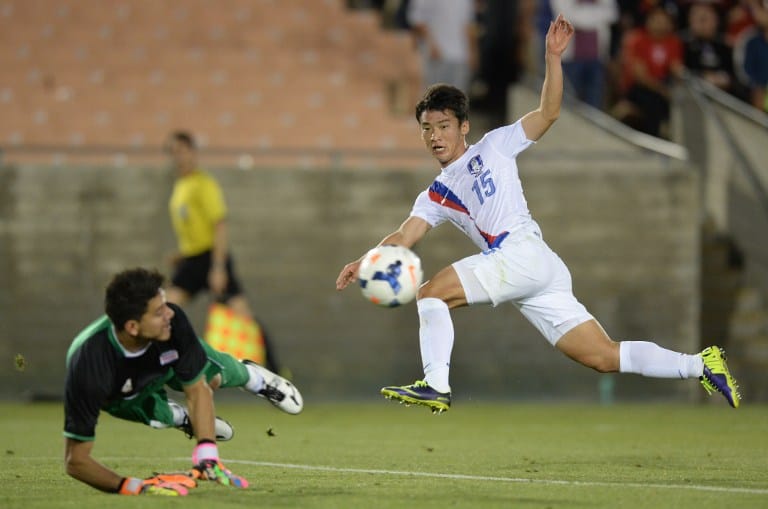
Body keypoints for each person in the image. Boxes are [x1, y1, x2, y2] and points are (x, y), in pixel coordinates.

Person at [335, 14, 740, 414]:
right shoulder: (435, 195)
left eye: (443, 125)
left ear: (463, 127)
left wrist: (552, 58)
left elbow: (547, 113)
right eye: (426, 128)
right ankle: (700, 364)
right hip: (537, 266)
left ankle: (436, 385)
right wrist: (366, 260)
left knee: (430, 293)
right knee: (602, 356)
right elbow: (405, 236)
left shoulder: (494, 145)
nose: (435, 136)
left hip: (521, 253)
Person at [63, 267, 303, 495]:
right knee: (159, 417)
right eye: (158, 312)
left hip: (166, 365)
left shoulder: (173, 322)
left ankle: (256, 379)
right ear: (133, 327)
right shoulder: (89, 366)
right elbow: (76, 461)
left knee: (214, 377)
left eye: (165, 304)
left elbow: (197, 390)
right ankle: (185, 419)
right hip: (122, 393)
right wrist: (135, 487)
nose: (169, 313)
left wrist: (207, 455)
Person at [165, 131, 283, 374]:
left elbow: (219, 224)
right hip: (192, 260)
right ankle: (159, 368)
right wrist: (181, 254)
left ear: (193, 152)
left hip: (210, 258)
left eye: (182, 151)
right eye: (174, 152)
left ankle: (276, 372)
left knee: (244, 317)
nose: (179, 157)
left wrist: (218, 267)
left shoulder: (203, 183)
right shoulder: (181, 185)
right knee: (163, 311)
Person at [549, 0, 619, 109]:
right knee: (567, 106)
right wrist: (597, 14)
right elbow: (568, 17)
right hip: (570, 60)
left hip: (597, 59)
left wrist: (581, 12)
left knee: (594, 107)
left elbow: (612, 13)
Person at [407, 0, 479, 94]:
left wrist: (473, 52)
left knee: (457, 101)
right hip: (436, 57)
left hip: (460, 57)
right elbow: (417, 21)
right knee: (433, 99)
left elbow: (469, 25)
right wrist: (431, 44)